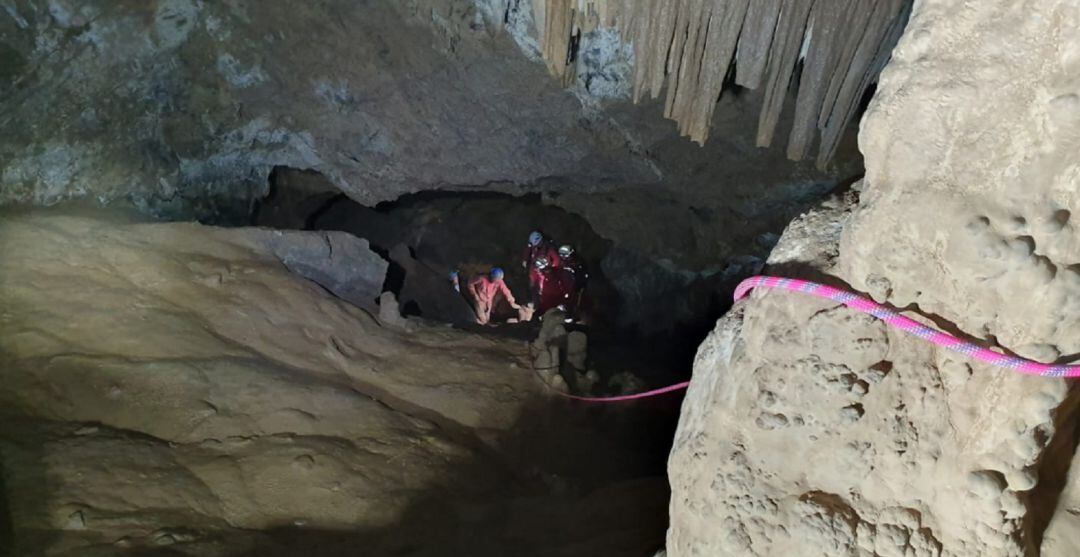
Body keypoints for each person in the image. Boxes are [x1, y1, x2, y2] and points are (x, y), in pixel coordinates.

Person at [522, 231, 560, 307]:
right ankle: (536, 304)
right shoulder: (533, 247)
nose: (535, 246)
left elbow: (557, 260)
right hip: (534, 272)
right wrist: (525, 260)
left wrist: (550, 267)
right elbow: (528, 250)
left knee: (544, 290)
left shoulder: (549, 249)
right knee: (534, 289)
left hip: (545, 273)